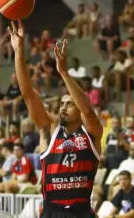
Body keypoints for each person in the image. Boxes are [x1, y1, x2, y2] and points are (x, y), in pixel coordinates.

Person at [8, 20, 102, 218]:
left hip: (82, 212)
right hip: (52, 212)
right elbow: (27, 94)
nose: (63, 107)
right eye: (61, 104)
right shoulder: (49, 128)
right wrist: (18, 51)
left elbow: (88, 111)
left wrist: (64, 73)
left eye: (69, 103)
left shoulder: (91, 133)